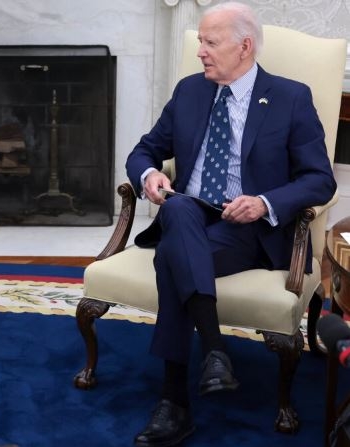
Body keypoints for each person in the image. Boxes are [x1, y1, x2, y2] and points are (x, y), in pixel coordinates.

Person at [125, 3, 336, 446]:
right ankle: (215, 349)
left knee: (172, 257)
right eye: (199, 41)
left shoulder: (290, 97)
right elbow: (143, 151)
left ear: (244, 46)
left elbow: (320, 178)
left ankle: (173, 402)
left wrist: (264, 203)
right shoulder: (189, 92)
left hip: (246, 230)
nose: (199, 51)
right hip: (190, 213)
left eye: (209, 42)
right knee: (179, 210)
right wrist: (150, 175)